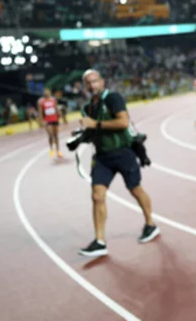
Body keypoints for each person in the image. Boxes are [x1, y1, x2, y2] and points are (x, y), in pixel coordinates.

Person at [78, 69, 160, 257]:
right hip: (102, 157)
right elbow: (92, 129)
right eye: (88, 83)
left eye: (95, 81)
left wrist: (95, 125)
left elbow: (123, 122)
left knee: (135, 189)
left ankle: (150, 224)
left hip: (123, 152)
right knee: (97, 196)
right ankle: (99, 241)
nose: (92, 85)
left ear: (102, 81)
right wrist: (81, 137)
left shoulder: (113, 98)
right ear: (85, 86)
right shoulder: (88, 107)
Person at [38, 89, 63, 159]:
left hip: (55, 119)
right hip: (47, 120)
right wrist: (41, 121)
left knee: (56, 135)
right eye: (45, 92)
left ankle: (58, 151)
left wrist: (59, 113)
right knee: (50, 134)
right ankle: (51, 148)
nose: (47, 93)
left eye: (48, 92)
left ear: (50, 93)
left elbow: (56, 108)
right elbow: (40, 112)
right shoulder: (41, 101)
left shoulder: (53, 100)